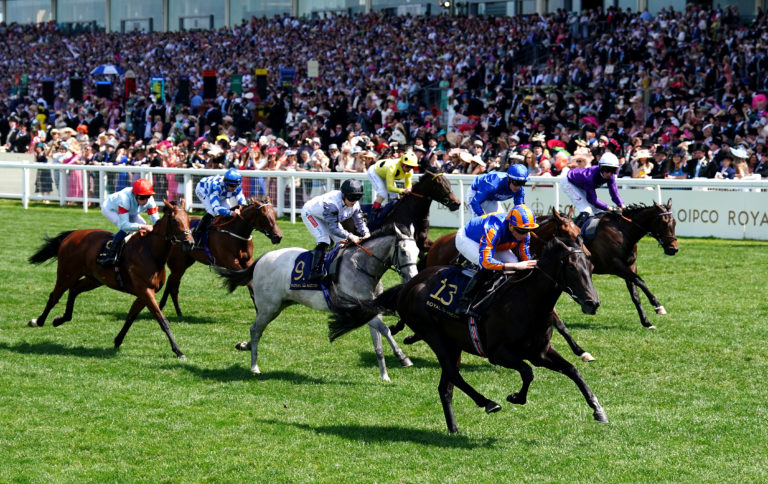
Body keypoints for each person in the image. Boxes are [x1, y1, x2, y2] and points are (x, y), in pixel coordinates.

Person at [454, 204, 539, 317]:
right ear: (511, 226)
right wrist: (515, 266)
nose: (525, 235)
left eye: (528, 230)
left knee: (514, 262)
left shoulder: (524, 232)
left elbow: (525, 257)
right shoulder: (494, 229)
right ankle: (464, 303)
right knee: (488, 269)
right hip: (469, 239)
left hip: (497, 243)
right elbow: (486, 262)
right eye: (521, 231)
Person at [301, 179, 370, 281]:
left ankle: (338, 268)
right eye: (351, 198)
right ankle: (314, 272)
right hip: (310, 213)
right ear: (343, 194)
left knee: (342, 242)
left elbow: (359, 221)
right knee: (324, 240)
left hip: (329, 217)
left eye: (357, 198)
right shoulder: (332, 204)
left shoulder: (354, 203)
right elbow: (334, 229)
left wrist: (366, 232)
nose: (354, 202)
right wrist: (351, 235)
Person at [97, 178, 160, 265]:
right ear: (135, 195)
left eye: (147, 197)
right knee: (128, 229)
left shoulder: (150, 200)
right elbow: (124, 225)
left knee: (143, 225)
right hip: (110, 209)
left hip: (131, 211)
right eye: (142, 197)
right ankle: (109, 255)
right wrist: (144, 227)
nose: (145, 200)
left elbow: (156, 220)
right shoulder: (124, 199)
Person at [561, 152, 626, 226]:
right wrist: (610, 208)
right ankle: (572, 235)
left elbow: (614, 194)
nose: (610, 174)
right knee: (586, 210)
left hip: (581, 184)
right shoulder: (590, 177)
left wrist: (622, 205)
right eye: (607, 170)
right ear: (601, 168)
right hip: (568, 182)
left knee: (599, 211)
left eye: (614, 170)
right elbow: (592, 200)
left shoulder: (611, 176)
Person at [193, 168, 247, 247]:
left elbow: (243, 203)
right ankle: (197, 233)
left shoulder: (237, 187)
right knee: (212, 212)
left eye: (236, 185)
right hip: (203, 190)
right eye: (231, 185)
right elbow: (216, 208)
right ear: (226, 183)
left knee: (227, 211)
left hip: (221, 194)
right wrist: (232, 213)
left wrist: (239, 208)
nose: (234, 188)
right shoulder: (216, 186)